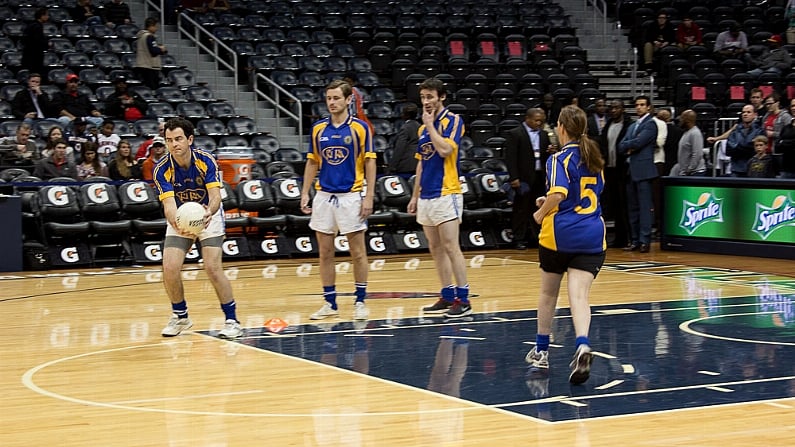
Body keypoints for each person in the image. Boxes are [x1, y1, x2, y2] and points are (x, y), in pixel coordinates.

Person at [524, 104, 606, 385]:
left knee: (548, 294)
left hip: (561, 236)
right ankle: (582, 344)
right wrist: (548, 201)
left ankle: (542, 350)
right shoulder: (595, 159)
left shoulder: (559, 159)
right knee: (580, 296)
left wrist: (540, 211)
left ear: (561, 127)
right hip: (593, 235)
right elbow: (585, 195)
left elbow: (558, 194)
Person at [153, 117, 242, 339]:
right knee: (170, 267)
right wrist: (177, 222)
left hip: (208, 216)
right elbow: (169, 206)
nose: (174, 144)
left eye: (179, 139)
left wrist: (208, 212)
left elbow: (215, 198)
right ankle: (181, 316)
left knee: (212, 267)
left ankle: (232, 320)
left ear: (190, 139)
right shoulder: (162, 169)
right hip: (181, 217)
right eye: (169, 140)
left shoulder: (206, 161)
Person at [299, 79, 376, 321]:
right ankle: (329, 303)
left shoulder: (361, 128)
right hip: (324, 195)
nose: (331, 103)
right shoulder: (318, 129)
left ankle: (360, 301)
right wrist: (305, 192)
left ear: (348, 100)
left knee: (358, 252)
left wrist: (369, 195)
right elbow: (312, 161)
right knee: (324, 252)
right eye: (329, 98)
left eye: (336, 98)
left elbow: (370, 161)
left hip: (351, 195)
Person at [406, 78, 471, 319]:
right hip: (427, 195)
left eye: (430, 97)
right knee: (435, 248)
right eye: (423, 97)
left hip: (448, 192)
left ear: (441, 97)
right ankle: (446, 294)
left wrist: (430, 126)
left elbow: (445, 150)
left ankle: (463, 299)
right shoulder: (422, 129)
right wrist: (414, 195)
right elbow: (421, 164)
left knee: (451, 247)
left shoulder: (452, 121)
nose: (426, 102)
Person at [504, 107, 553, 250]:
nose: (539, 123)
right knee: (521, 208)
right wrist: (514, 177)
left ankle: (536, 237)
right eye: (536, 120)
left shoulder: (544, 135)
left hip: (539, 175)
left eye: (541, 121)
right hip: (523, 177)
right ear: (528, 119)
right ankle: (519, 238)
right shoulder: (515, 133)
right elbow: (510, 158)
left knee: (538, 207)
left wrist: (550, 152)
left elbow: (544, 156)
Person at [618, 95, 658, 253]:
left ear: (648, 107)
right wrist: (631, 146)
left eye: (642, 105)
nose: (639, 107)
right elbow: (621, 145)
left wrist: (631, 146)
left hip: (644, 171)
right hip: (631, 171)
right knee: (632, 208)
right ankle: (634, 240)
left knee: (644, 207)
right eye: (637, 105)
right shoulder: (633, 126)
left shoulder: (651, 124)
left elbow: (639, 143)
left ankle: (644, 240)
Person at [600, 99, 631, 248]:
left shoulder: (628, 125)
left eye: (617, 108)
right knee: (612, 204)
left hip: (623, 170)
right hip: (609, 169)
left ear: (623, 109)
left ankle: (626, 237)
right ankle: (617, 238)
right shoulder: (608, 125)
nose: (613, 110)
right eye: (611, 108)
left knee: (623, 205)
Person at [726, 104, 764, 177]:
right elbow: (729, 150)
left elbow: (756, 150)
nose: (745, 114)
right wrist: (748, 145)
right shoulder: (735, 131)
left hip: (754, 169)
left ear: (755, 114)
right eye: (743, 112)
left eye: (748, 112)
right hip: (736, 169)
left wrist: (737, 146)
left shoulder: (760, 131)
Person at [134, 17, 168, 91]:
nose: (157, 29)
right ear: (150, 26)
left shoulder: (141, 36)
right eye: (156, 26)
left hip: (143, 64)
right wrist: (161, 49)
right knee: (152, 89)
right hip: (149, 66)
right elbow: (153, 51)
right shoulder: (149, 36)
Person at [386, 103, 420, 175]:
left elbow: (400, 148)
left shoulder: (405, 128)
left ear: (405, 115)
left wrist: (391, 167)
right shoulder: (420, 126)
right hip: (418, 163)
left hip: (407, 165)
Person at [671, 109, 706, 176]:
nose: (680, 120)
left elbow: (697, 154)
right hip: (686, 172)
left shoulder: (695, 133)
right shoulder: (687, 132)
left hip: (695, 173)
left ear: (687, 120)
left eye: (681, 118)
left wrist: (689, 169)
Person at [22, 8, 49, 78]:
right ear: (41, 16)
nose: (48, 17)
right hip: (34, 57)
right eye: (46, 15)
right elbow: (38, 41)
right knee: (34, 75)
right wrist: (47, 44)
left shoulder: (31, 25)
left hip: (29, 55)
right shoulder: (37, 26)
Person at [775, 99, 795, 179]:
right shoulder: (786, 127)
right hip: (786, 169)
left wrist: (783, 142)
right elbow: (777, 147)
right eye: (792, 106)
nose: (794, 108)